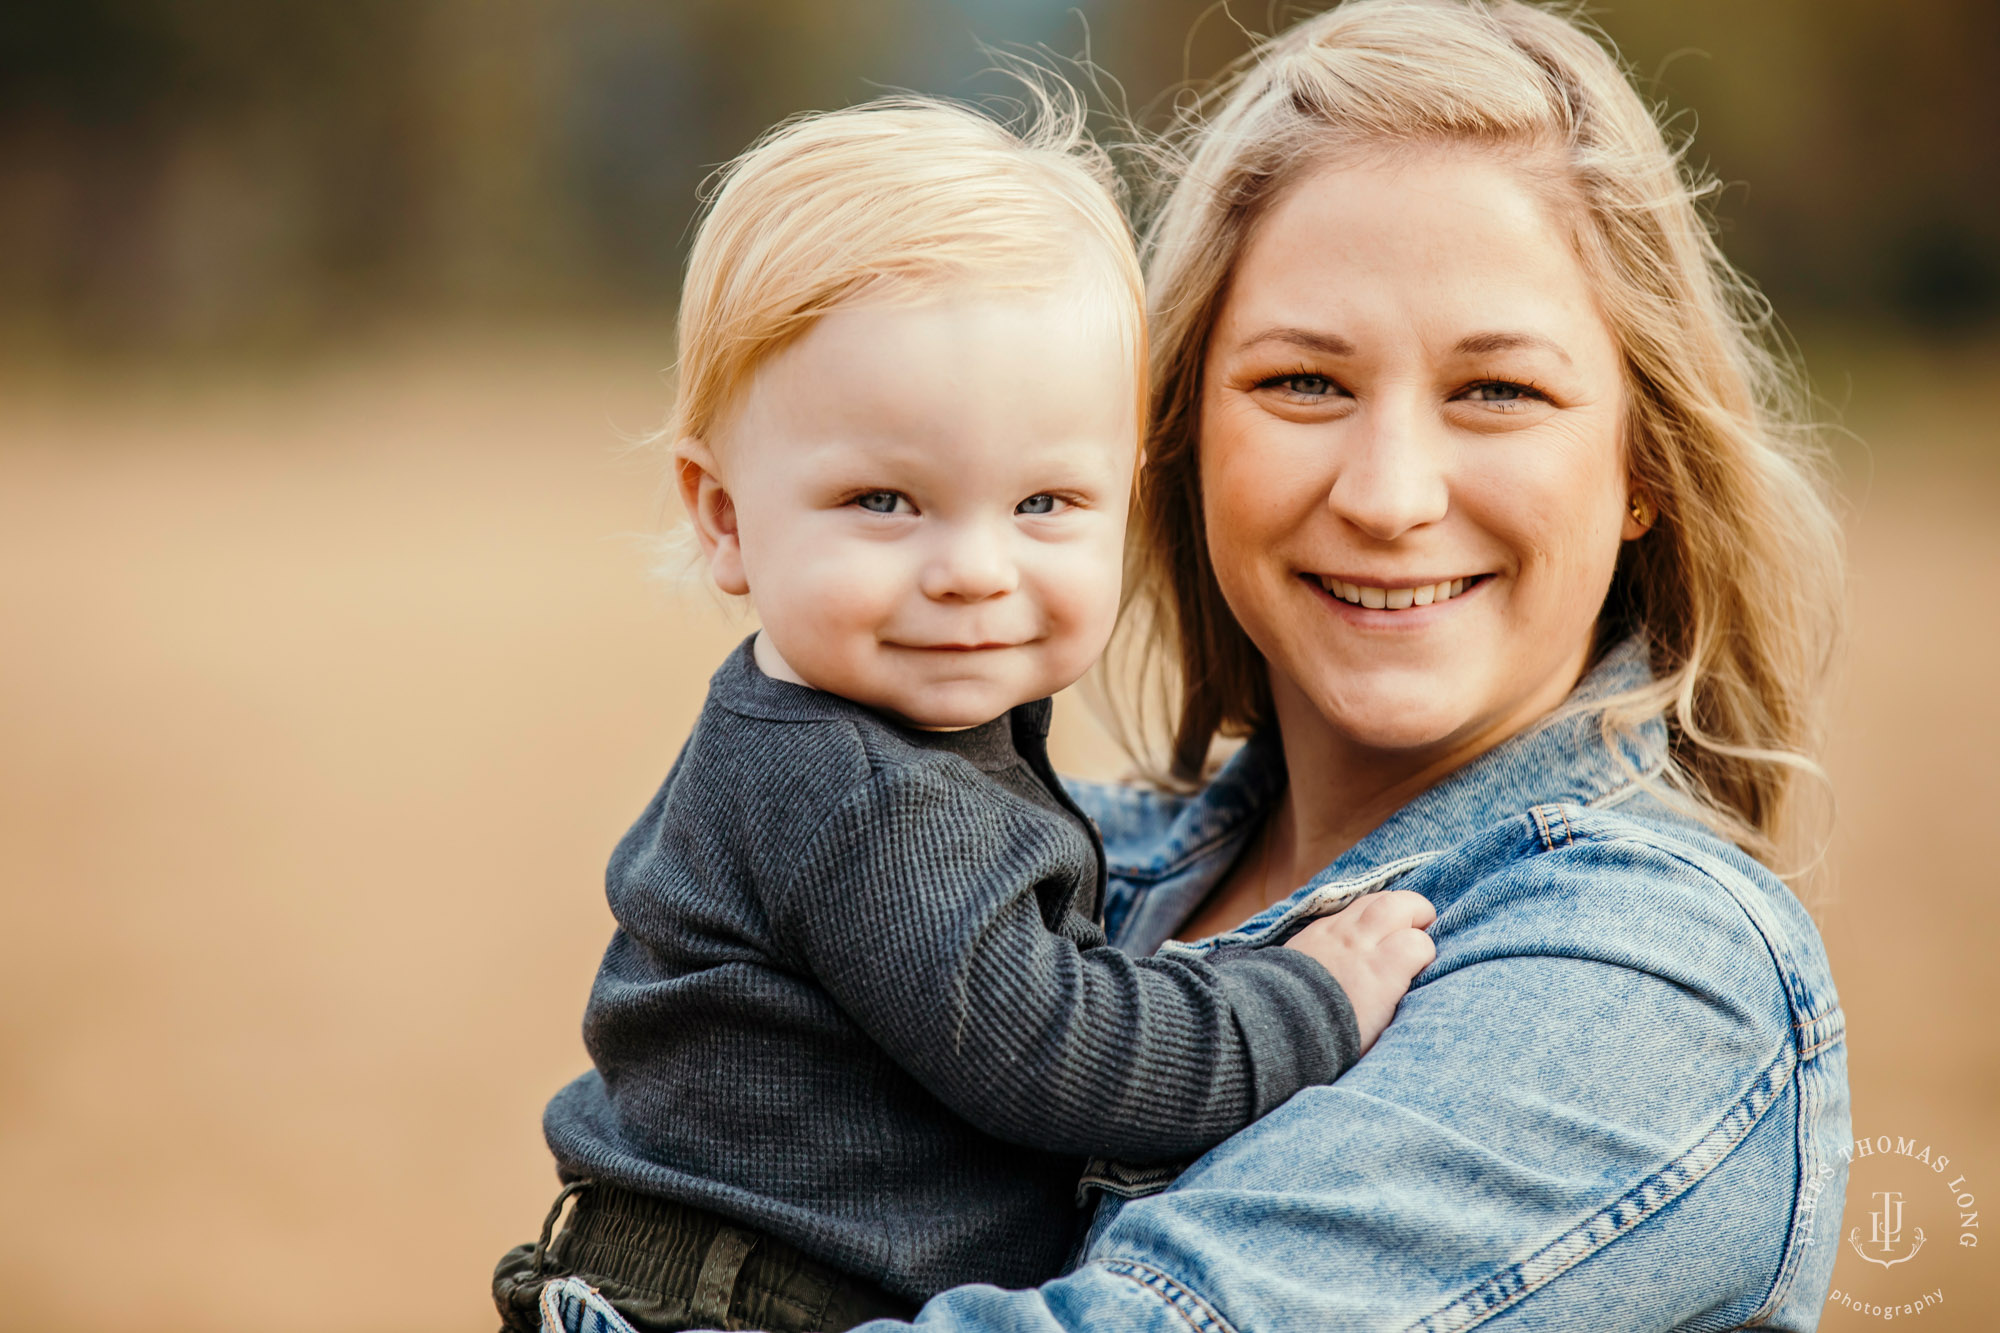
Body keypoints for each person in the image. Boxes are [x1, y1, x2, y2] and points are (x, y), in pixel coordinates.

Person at [539, 1, 1851, 1329]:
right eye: (1303, 382)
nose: (1391, 494)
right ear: (1181, 436)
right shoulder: (1075, 852)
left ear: (1643, 469)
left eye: (1496, 390)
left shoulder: (1643, 971)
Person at [493, 97, 1438, 1333]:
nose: (972, 570)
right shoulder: (858, 794)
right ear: (722, 515)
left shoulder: (857, 734)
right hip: (750, 1305)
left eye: (1044, 501)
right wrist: (1304, 1000)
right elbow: (1058, 1052)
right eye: (885, 500)